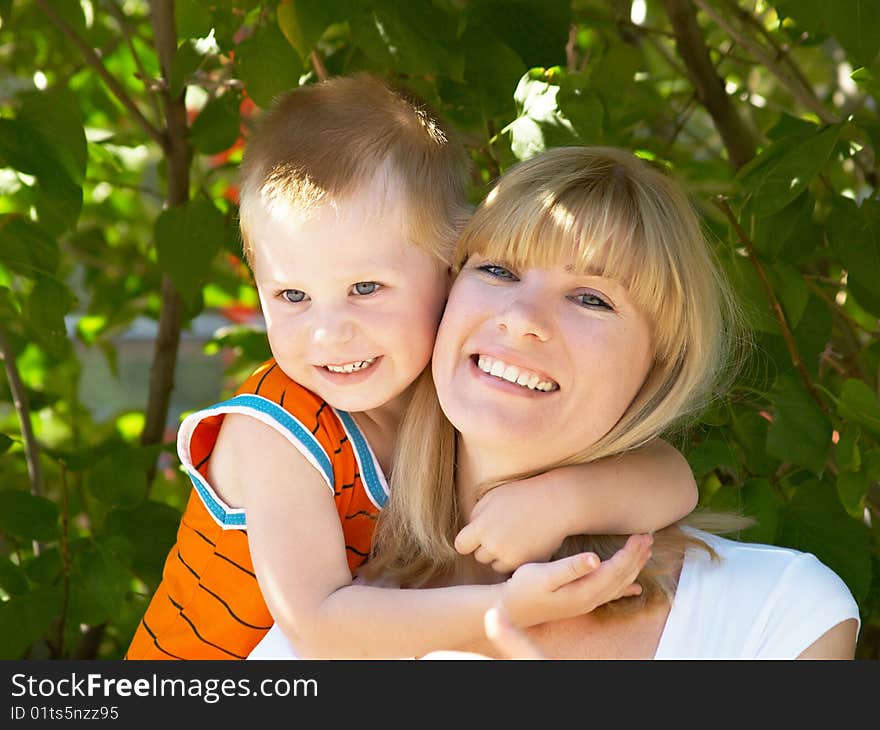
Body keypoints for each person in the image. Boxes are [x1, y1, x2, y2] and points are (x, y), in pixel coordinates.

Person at [126, 77, 698, 661]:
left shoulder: (443, 387)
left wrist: (563, 502)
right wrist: (509, 608)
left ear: (452, 268)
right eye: (292, 296)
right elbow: (321, 631)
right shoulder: (276, 429)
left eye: (365, 288)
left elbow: (674, 479)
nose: (327, 333)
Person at [252, 145, 860, 660]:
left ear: (659, 366)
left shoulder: (775, 616)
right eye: (497, 271)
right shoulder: (319, 628)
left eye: (592, 299)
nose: (520, 320)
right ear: (440, 300)